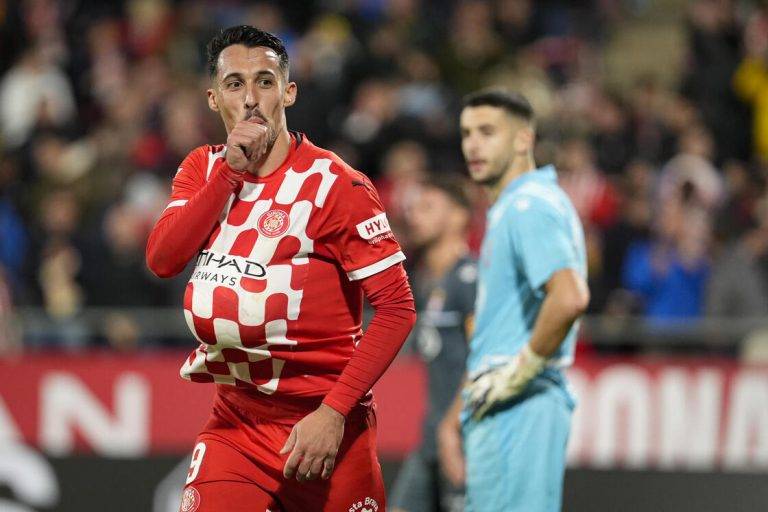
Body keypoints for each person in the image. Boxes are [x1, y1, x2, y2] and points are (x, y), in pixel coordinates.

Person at [145, 26, 416, 512]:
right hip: (237, 423)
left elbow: (397, 308)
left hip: (326, 429)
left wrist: (333, 413)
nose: (250, 99)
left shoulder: (336, 185)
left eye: (265, 82)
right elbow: (163, 260)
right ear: (213, 99)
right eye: (234, 84)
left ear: (288, 91)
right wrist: (230, 171)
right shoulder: (202, 170)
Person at [438, 89, 589, 512]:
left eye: (488, 132)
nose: (473, 144)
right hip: (504, 405)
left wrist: (517, 375)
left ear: (524, 140)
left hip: (519, 405)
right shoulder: (516, 207)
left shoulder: (528, 205)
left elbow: (570, 296)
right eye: (467, 133)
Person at [390, 176, 477, 512]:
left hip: (462, 436)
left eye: (428, 207)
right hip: (432, 437)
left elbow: (483, 359)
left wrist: (451, 426)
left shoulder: (469, 279)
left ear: (458, 217)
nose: (415, 215)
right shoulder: (426, 281)